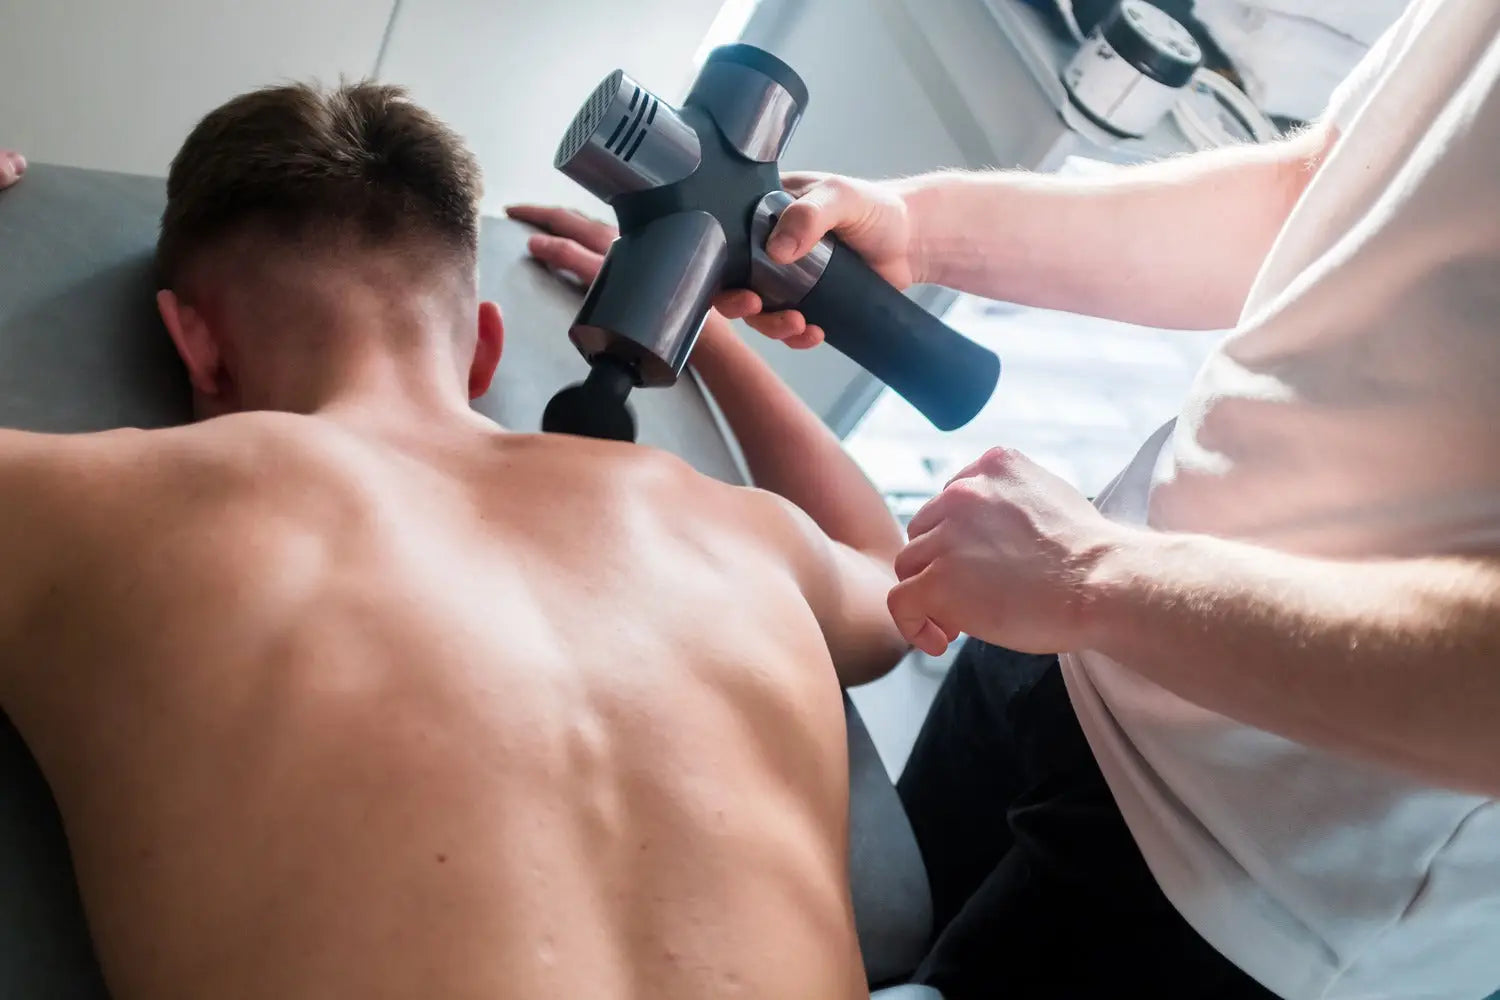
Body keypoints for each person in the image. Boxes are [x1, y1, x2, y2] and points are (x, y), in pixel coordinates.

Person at [0, 81, 912, 1000]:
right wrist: (707, 333)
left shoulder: (111, 508)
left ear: (195, 346)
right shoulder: (741, 536)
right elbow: (900, 577)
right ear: (486, 347)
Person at [723, 1, 1500, 998]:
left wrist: (1093, 575)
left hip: (1260, 880)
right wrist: (927, 228)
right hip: (1065, 644)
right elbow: (1325, 195)